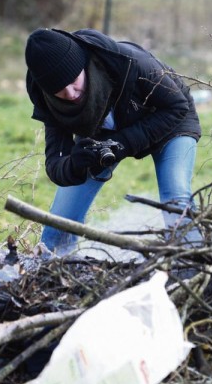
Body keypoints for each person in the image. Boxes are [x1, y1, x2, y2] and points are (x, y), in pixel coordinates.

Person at [24, 28, 202, 256]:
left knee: (175, 198)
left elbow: (176, 107)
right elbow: (55, 164)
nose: (70, 94)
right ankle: (55, 272)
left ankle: (194, 264)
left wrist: (120, 143)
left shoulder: (130, 61)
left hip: (169, 120)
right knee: (59, 220)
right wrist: (75, 164)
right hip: (103, 139)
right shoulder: (48, 101)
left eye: (73, 81)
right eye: (59, 91)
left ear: (84, 65)